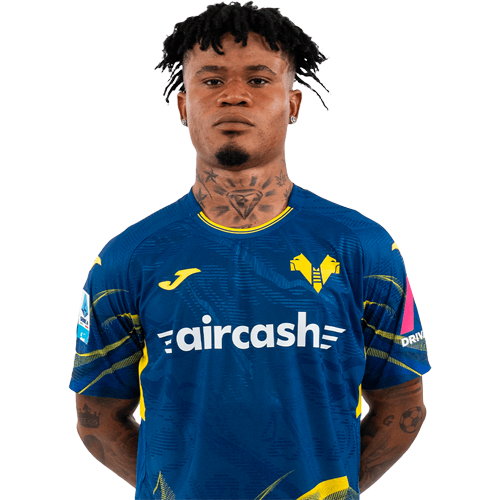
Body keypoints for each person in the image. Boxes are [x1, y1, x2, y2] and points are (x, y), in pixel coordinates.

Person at [69, 2, 431, 498]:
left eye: (259, 80)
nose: (234, 95)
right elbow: (96, 415)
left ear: (293, 104)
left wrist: (334, 489)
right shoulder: (128, 259)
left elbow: (402, 404)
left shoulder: (363, 248)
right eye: (211, 80)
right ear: (183, 105)